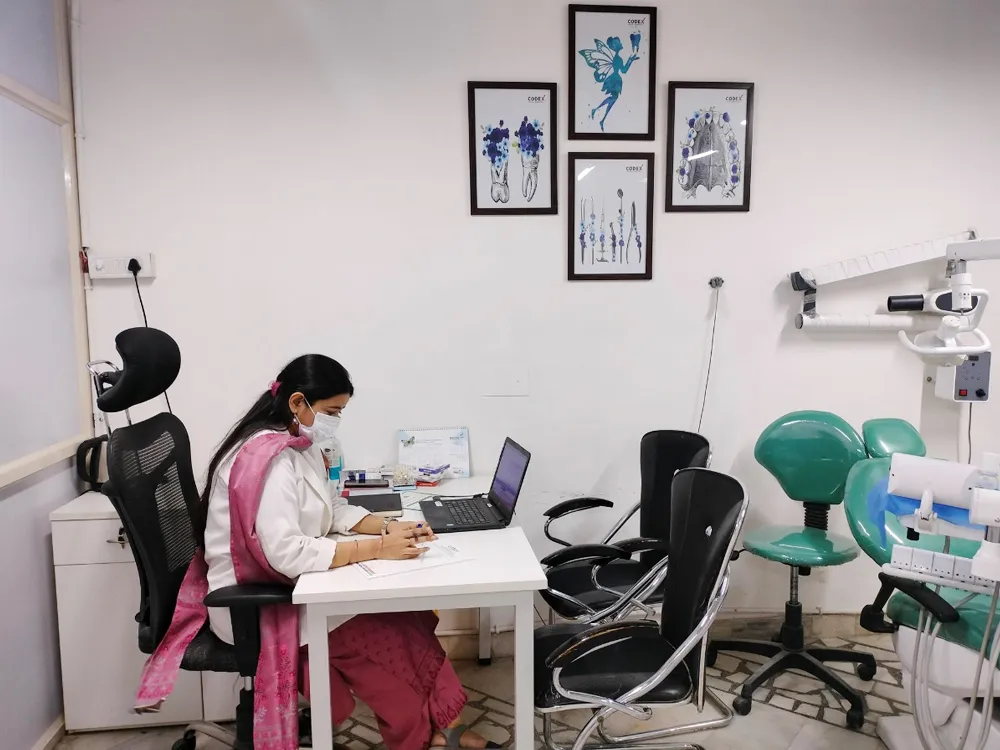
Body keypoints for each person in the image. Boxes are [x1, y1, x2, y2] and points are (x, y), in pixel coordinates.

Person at [136, 355, 498, 750]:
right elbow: (286, 554)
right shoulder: (267, 462)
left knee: (408, 614)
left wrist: (386, 527)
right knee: (386, 640)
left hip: (293, 586)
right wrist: (379, 549)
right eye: (332, 411)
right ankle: (418, 739)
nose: (336, 420)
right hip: (256, 603)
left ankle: (448, 725)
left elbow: (330, 508)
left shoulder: (298, 442)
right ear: (297, 402)